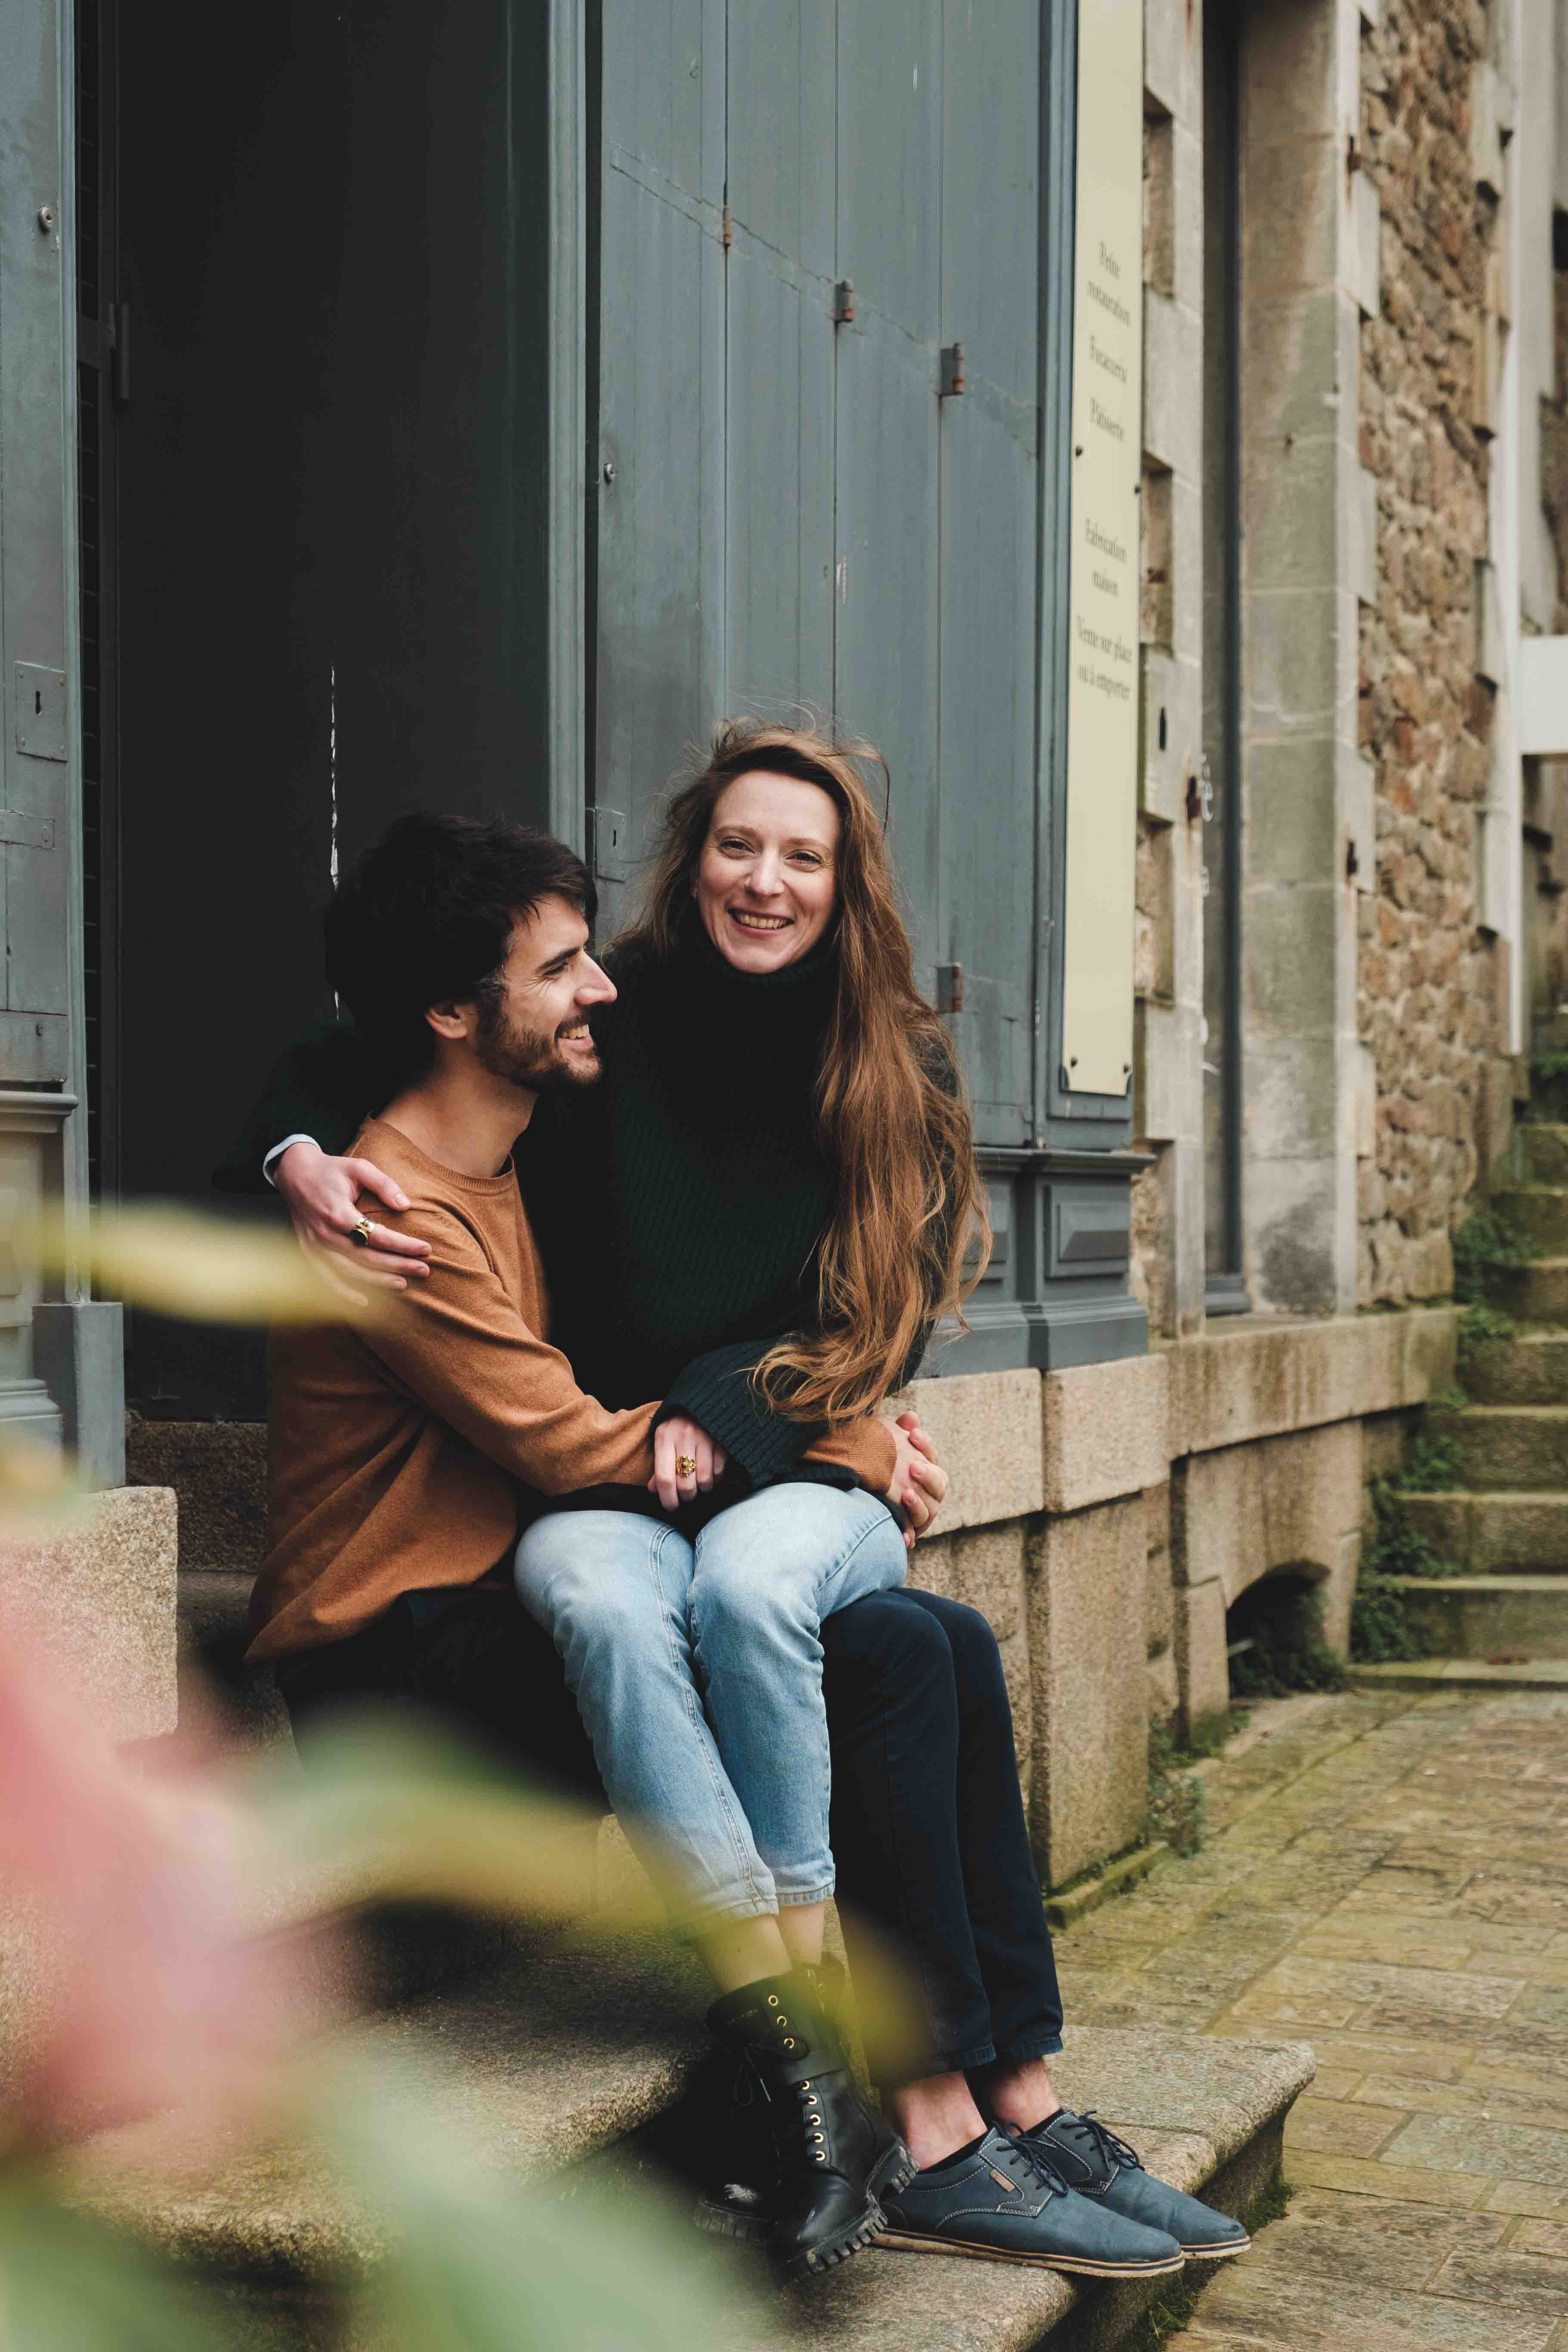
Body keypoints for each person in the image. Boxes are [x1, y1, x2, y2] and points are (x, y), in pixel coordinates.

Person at [226, 723, 1247, 2278]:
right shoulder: (557, 1064)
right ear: (691, 852)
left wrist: (803, 1420)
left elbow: (887, 1303)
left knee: (929, 1647)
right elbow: (355, 1052)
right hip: (482, 1584)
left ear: (847, 887)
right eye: (735, 844)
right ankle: (871, 2088)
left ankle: (1011, 2097)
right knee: (883, 1652)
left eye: (804, 855)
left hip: (661, 1482)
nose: (762, 881)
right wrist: (294, 1154)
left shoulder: (876, 1049)